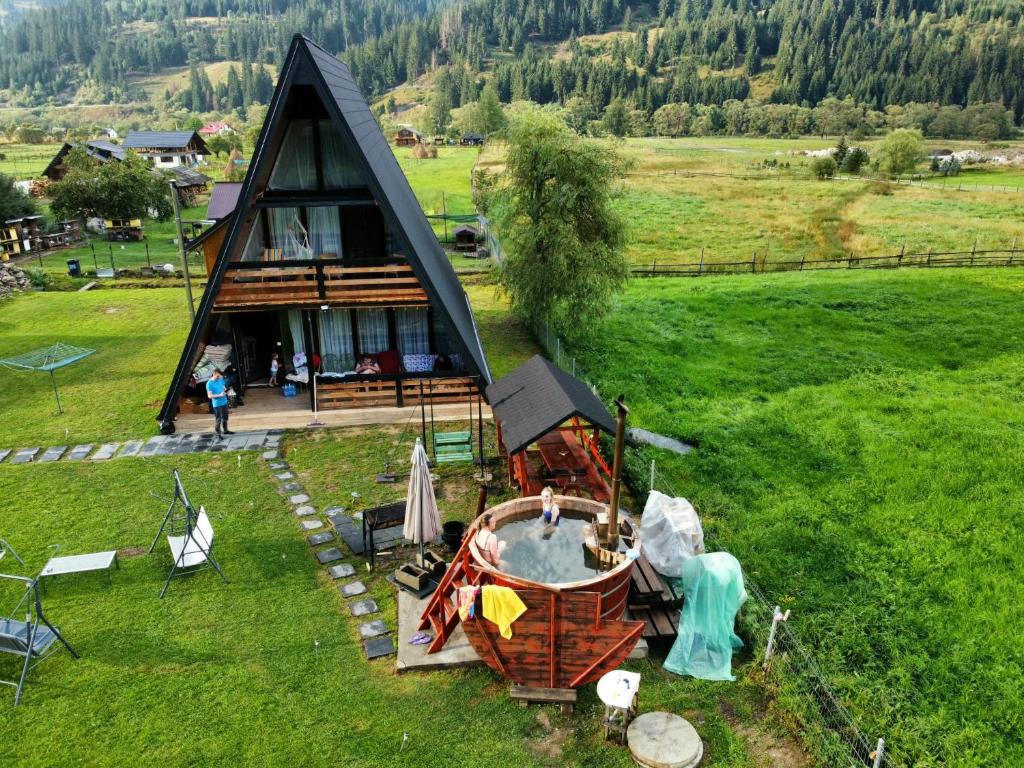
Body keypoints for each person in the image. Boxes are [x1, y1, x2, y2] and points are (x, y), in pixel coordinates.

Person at [206, 368, 233, 439]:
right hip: (217, 404)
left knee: (225, 417)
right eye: (217, 376)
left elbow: (223, 387)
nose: (219, 377)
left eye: (220, 376)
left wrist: (226, 390)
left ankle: (226, 430)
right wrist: (219, 395)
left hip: (224, 402)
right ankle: (218, 434)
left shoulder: (221, 379)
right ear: (214, 374)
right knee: (218, 419)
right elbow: (209, 396)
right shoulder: (209, 383)